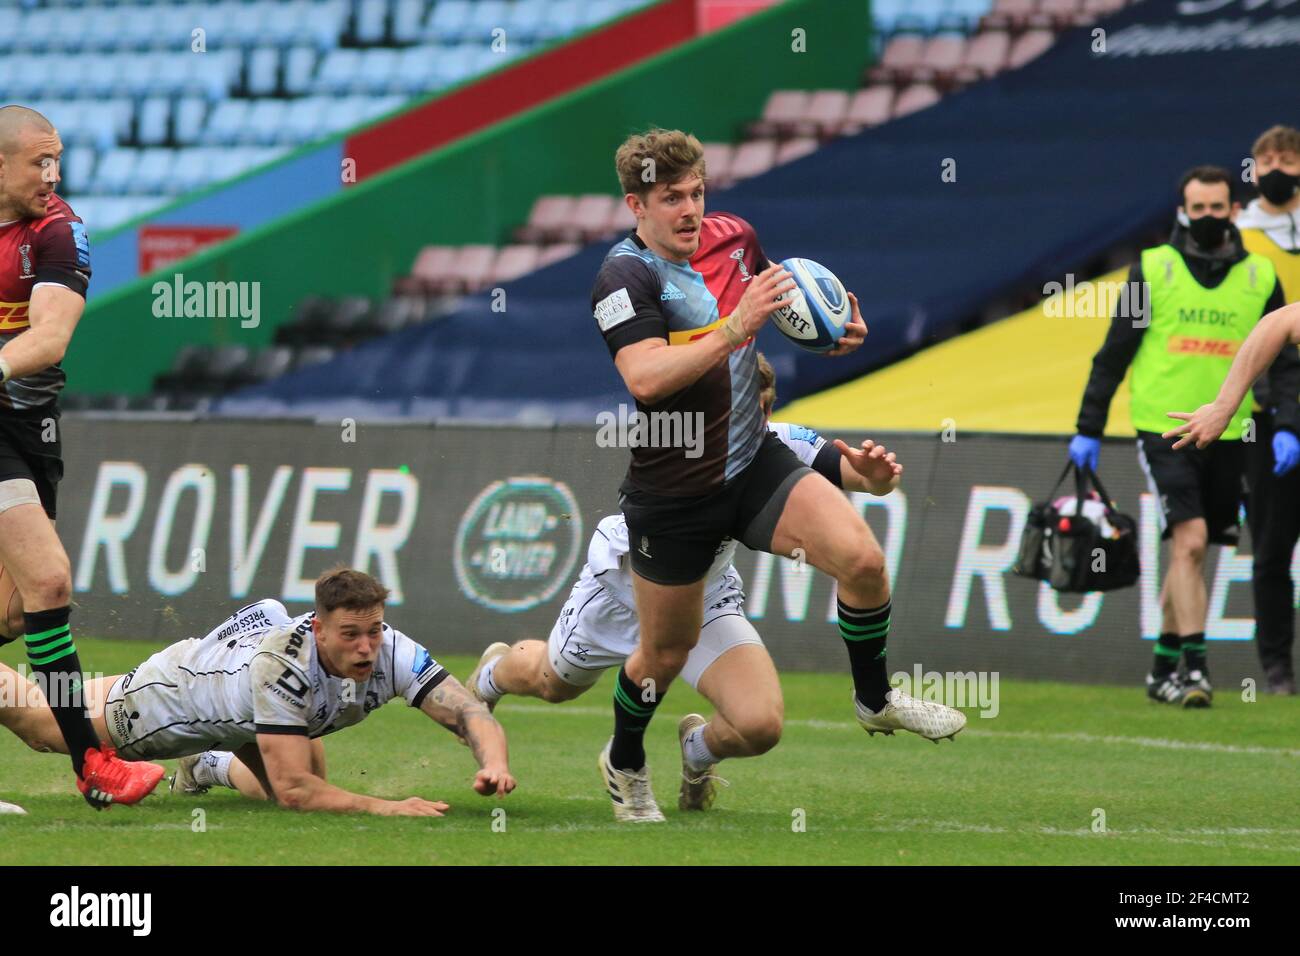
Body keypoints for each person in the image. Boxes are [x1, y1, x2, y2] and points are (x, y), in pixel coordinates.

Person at [587, 128, 963, 822]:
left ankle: (874, 700)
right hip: (673, 492)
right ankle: (626, 759)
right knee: (663, 655)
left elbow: (782, 307)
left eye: (697, 192)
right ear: (636, 205)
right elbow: (643, 377)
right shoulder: (625, 276)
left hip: (752, 460)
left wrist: (830, 333)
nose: (690, 210)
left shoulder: (736, 237)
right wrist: (732, 329)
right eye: (671, 198)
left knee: (863, 559)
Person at [468, 353, 952, 818]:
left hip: (704, 596)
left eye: (758, 407)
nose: (748, 418)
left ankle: (696, 750)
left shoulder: (778, 444)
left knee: (760, 726)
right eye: (735, 403)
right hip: (626, 587)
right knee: (552, 684)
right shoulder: (679, 442)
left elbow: (848, 472)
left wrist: (875, 480)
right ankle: (491, 676)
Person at [0, 568, 516, 816]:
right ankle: (203, 759)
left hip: (234, 692)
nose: (366, 648)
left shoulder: (391, 649)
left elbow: (469, 711)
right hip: (171, 697)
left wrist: (494, 763)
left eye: (374, 631)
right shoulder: (285, 665)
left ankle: (206, 766)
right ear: (317, 629)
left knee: (302, 785)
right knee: (43, 727)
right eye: (351, 635)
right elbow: (297, 793)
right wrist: (389, 806)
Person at [1070, 165, 1299, 708]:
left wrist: (1287, 424)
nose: (1208, 218)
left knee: (1194, 552)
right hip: (1164, 427)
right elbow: (1115, 351)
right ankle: (1195, 670)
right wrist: (1088, 427)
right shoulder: (1153, 269)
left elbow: (1286, 362)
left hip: (1235, 433)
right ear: (1182, 212)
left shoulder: (1262, 276)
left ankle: (1162, 667)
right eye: (1198, 209)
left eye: (1217, 208)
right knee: (1190, 540)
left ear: (1234, 210)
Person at [0, 105, 164, 807]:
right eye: (39, 161)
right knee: (50, 582)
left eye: (57, 159)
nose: (53, 174)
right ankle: (92, 763)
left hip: (28, 428)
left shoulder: (58, 231)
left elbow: (49, 339)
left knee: (11, 614)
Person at [1236, 125, 1300, 696]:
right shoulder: (1238, 234)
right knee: (1272, 546)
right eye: (1266, 159)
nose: (1276, 168)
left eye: (1287, 159)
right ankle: (1276, 667)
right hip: (1264, 405)